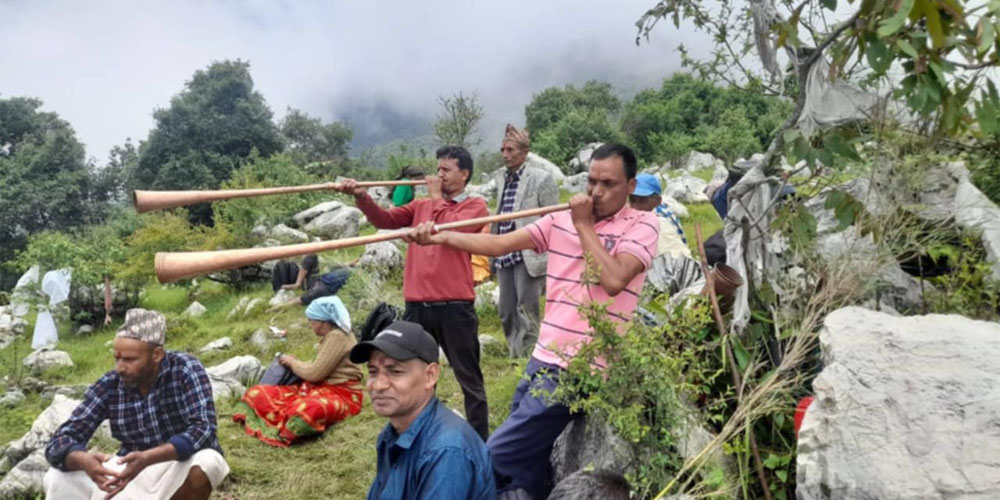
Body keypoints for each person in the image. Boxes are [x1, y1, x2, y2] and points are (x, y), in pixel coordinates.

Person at [406, 143, 659, 499]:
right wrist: (440, 236)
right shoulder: (558, 220)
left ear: (631, 186)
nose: (596, 192)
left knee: (494, 457)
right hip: (542, 357)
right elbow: (501, 245)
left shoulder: (643, 224)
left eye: (608, 184)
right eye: (591, 181)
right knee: (528, 465)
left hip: (582, 369)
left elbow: (615, 279)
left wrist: (583, 225)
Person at [334, 145, 491, 440]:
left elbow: (448, 229)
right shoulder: (420, 206)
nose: (439, 175)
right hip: (417, 306)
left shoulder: (475, 207)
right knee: (415, 376)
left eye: (446, 170)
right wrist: (362, 197)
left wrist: (435, 197)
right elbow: (384, 220)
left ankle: (480, 444)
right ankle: (421, 435)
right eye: (438, 168)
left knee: (469, 378)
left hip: (455, 306)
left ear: (465, 174)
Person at [43, 308, 229, 500]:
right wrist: (82, 459)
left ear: (156, 354)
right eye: (117, 358)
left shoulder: (185, 369)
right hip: (129, 470)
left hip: (174, 464)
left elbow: (204, 429)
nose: (120, 368)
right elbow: (60, 439)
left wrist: (148, 457)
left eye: (129, 359)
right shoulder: (111, 384)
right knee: (57, 477)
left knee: (209, 462)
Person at [349, 320, 495, 500]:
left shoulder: (447, 451)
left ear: (430, 376)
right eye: (373, 372)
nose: (378, 385)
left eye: (395, 372)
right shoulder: (391, 435)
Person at [234, 296, 364, 447]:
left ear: (322, 322)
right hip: (322, 388)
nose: (310, 324)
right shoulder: (333, 335)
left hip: (343, 394)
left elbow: (315, 374)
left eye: (311, 320)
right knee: (257, 392)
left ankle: (286, 426)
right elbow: (321, 365)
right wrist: (295, 363)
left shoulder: (337, 337)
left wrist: (292, 363)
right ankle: (284, 420)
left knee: (307, 411)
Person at [489, 124, 559, 358]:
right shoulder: (502, 177)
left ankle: (529, 358)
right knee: (506, 310)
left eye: (510, 150)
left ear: (525, 152)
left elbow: (553, 217)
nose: (505, 155)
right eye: (503, 150)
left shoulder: (541, 178)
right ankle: (515, 353)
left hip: (528, 251)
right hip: (504, 249)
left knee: (526, 309)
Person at [628, 173, 691, 259]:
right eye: (632, 200)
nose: (635, 207)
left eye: (642, 201)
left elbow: (674, 260)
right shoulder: (659, 211)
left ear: (658, 200)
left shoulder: (659, 224)